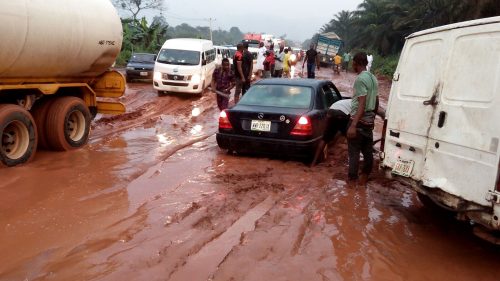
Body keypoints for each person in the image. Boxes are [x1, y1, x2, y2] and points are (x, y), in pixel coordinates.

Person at [346, 52, 379, 185]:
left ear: (356, 63)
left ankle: (352, 183)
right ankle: (364, 178)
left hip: (358, 122)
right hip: (368, 122)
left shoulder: (360, 79)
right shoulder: (373, 78)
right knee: (367, 152)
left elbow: (362, 103)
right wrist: (373, 119)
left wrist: (353, 125)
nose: (352, 65)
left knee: (353, 154)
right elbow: (376, 101)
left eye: (353, 63)